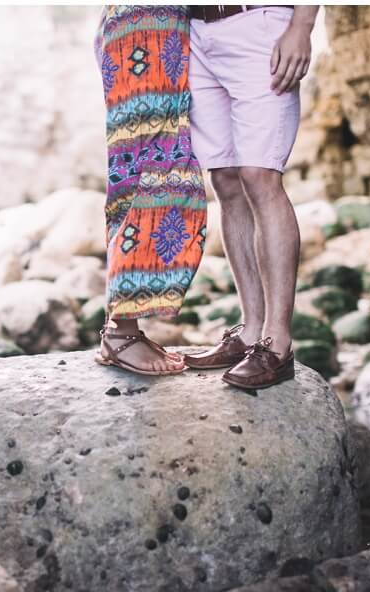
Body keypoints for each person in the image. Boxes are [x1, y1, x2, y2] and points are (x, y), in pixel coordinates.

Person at [182, 4, 319, 389]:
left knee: (260, 175)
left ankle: (277, 344)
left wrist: (302, 25)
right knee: (225, 179)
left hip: (259, 24)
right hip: (195, 29)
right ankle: (250, 331)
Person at [94, 5, 208, 376]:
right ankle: (120, 331)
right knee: (151, 168)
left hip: (153, 24)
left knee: (149, 166)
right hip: (146, 24)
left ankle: (123, 328)